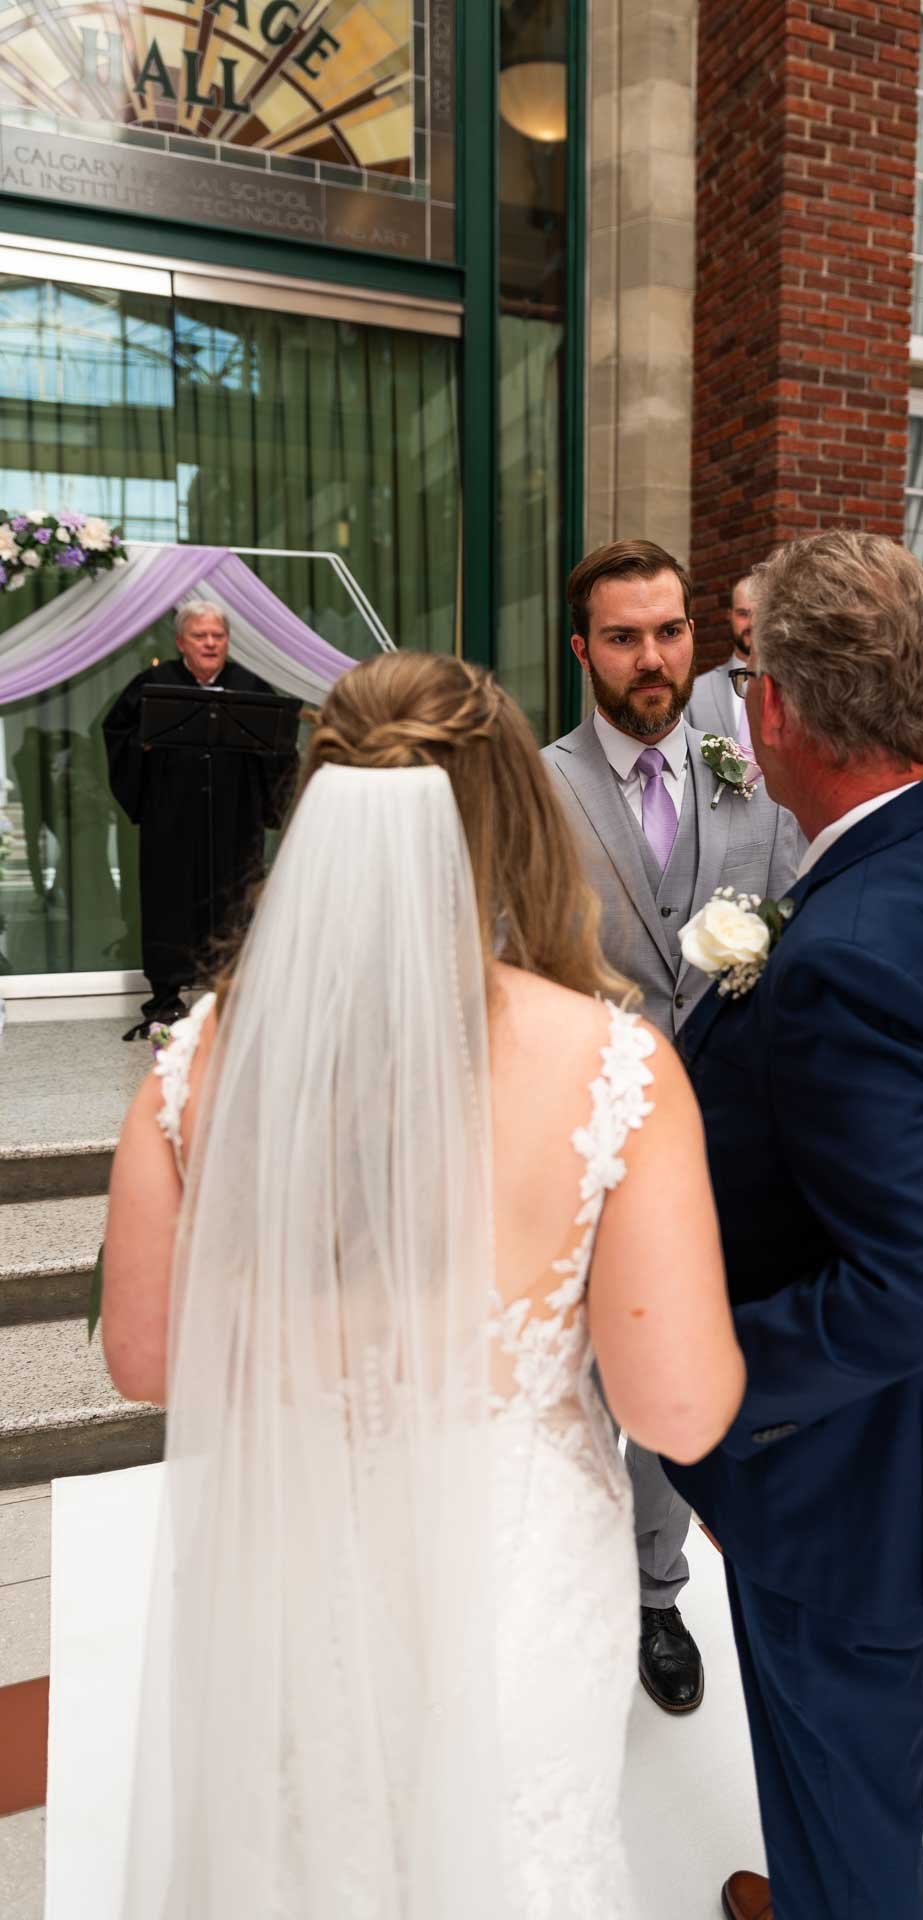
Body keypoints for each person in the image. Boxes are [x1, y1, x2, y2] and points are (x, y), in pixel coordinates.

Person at [100, 651, 743, 1918]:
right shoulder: (614, 1065)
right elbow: (677, 1412)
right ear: (512, 816)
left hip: (292, 1575)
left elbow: (147, 1359)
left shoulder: (197, 1061)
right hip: (514, 1596)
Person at [666, 531, 923, 1920]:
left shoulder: (856, 946)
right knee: (844, 1770)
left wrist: (704, 1369)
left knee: (853, 1785)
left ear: (776, 706)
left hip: (846, 1486)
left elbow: (917, 1281)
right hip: (914, 1455)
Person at [543, 538, 801, 1717]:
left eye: (669, 632)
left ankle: (656, 1593)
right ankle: (566, 1578)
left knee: (673, 1377)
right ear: (582, 647)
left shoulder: (746, 772)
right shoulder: (539, 790)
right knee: (577, 1383)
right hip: (581, 1149)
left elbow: (796, 925)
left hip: (722, 1147)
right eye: (624, 636)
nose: (652, 660)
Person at [102, 601, 296, 1037]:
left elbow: (282, 746)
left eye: (218, 636)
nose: (210, 643)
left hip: (235, 816)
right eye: (200, 636)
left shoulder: (250, 686)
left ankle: (232, 997)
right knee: (169, 900)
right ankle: (167, 1001)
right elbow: (118, 735)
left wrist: (269, 764)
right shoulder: (153, 684)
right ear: (180, 642)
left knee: (236, 899)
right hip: (171, 816)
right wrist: (143, 747)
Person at [688, 572, 755, 743]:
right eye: (743, 614)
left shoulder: (794, 689)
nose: (752, 623)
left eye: (760, 613)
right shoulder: (695, 693)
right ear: (729, 615)